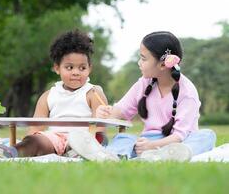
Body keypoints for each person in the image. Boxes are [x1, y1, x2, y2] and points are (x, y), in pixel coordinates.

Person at [68, 31, 216, 162]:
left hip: (178, 142)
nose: (139, 63)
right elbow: (121, 111)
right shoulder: (144, 84)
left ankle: (168, 155)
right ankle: (107, 155)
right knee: (124, 138)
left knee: (207, 136)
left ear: (163, 65)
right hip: (148, 141)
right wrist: (106, 112)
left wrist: (152, 146)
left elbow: (179, 135)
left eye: (144, 59)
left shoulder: (187, 92)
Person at [0, 30, 110, 158]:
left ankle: (77, 153)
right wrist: (31, 141)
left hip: (82, 140)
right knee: (35, 141)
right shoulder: (48, 96)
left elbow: (101, 127)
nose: (76, 72)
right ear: (57, 68)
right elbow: (35, 128)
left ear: (89, 68)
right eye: (69, 67)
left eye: (82, 68)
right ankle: (5, 152)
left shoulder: (93, 92)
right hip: (56, 139)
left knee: (95, 139)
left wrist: (100, 123)